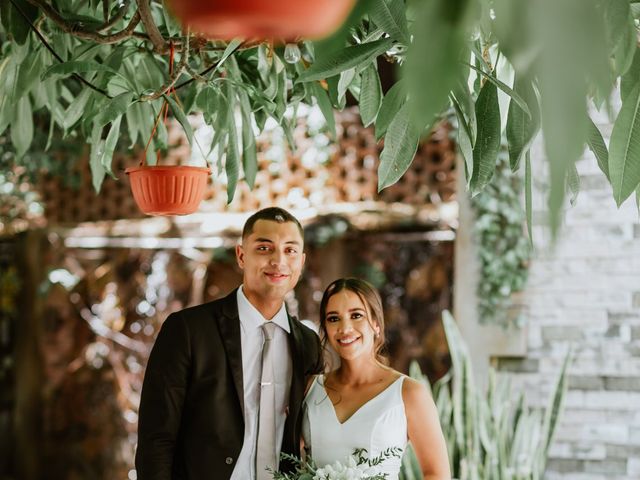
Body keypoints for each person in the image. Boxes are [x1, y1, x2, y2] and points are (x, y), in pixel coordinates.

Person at [136, 207, 324, 480]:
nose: (278, 261)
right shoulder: (188, 330)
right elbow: (157, 438)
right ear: (241, 255)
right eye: (264, 248)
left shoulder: (308, 345)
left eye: (290, 250)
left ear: (302, 261)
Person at [302, 278, 451, 480]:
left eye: (356, 315)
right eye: (333, 318)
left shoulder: (409, 393)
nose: (345, 328)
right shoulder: (309, 388)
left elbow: (437, 474)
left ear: (376, 324)